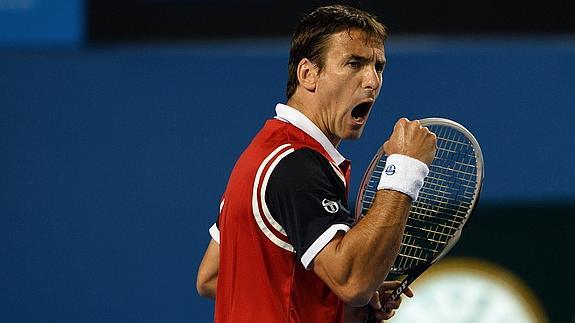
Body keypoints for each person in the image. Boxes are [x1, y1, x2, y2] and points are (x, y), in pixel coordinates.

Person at [196, 4, 436, 323]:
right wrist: (404, 171)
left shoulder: (263, 154)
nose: (372, 81)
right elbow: (354, 282)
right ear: (309, 74)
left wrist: (339, 300)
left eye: (378, 67)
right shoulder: (296, 165)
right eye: (354, 63)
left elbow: (212, 276)